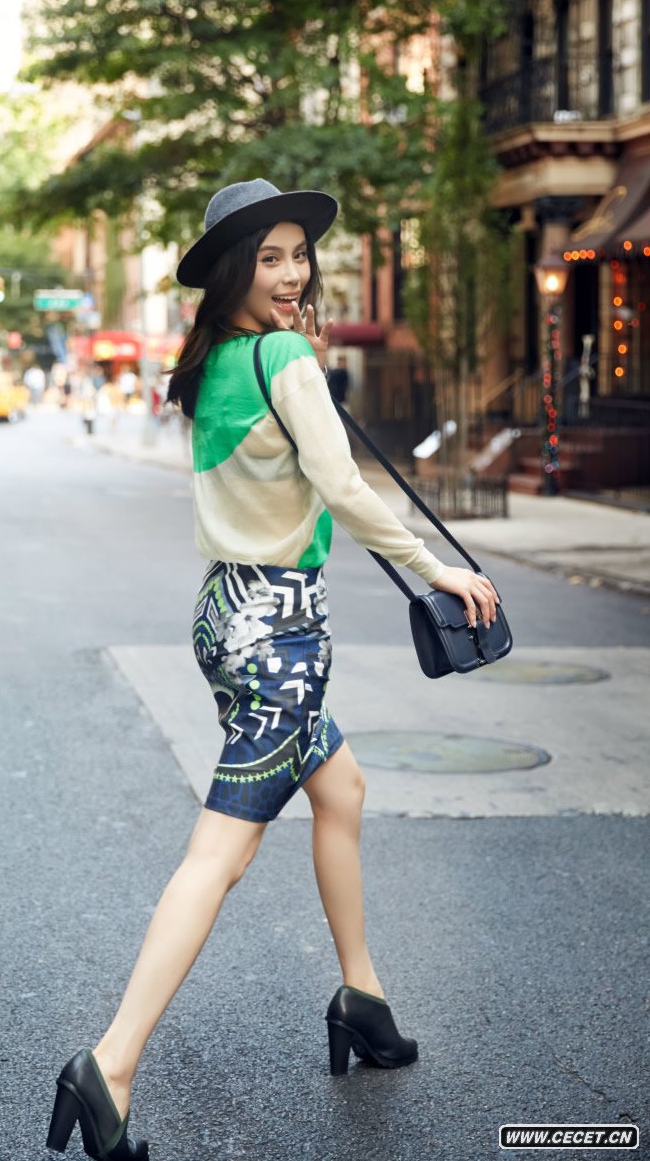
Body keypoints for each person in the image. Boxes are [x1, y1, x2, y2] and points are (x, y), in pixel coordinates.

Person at [46, 179, 500, 1161]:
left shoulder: (214, 359)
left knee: (341, 788)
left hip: (226, 616)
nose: (292, 273)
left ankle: (361, 998)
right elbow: (341, 486)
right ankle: (109, 1065)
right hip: (280, 636)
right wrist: (436, 568)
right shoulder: (284, 358)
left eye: (298, 255)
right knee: (221, 856)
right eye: (269, 258)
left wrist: (301, 364)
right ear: (231, 271)